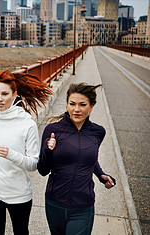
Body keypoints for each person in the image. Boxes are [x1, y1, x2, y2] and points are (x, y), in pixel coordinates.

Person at [0, 69, 53, 235]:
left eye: (5, 94)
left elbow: (33, 164)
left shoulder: (27, 124)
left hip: (18, 193)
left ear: (15, 94)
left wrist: (10, 154)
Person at [37, 82, 116, 235]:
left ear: (91, 106)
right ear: (67, 104)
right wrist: (47, 150)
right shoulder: (53, 130)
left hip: (83, 206)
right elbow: (43, 170)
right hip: (55, 203)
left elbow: (89, 158)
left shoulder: (98, 132)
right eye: (72, 104)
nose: (77, 109)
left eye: (82, 104)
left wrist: (101, 175)